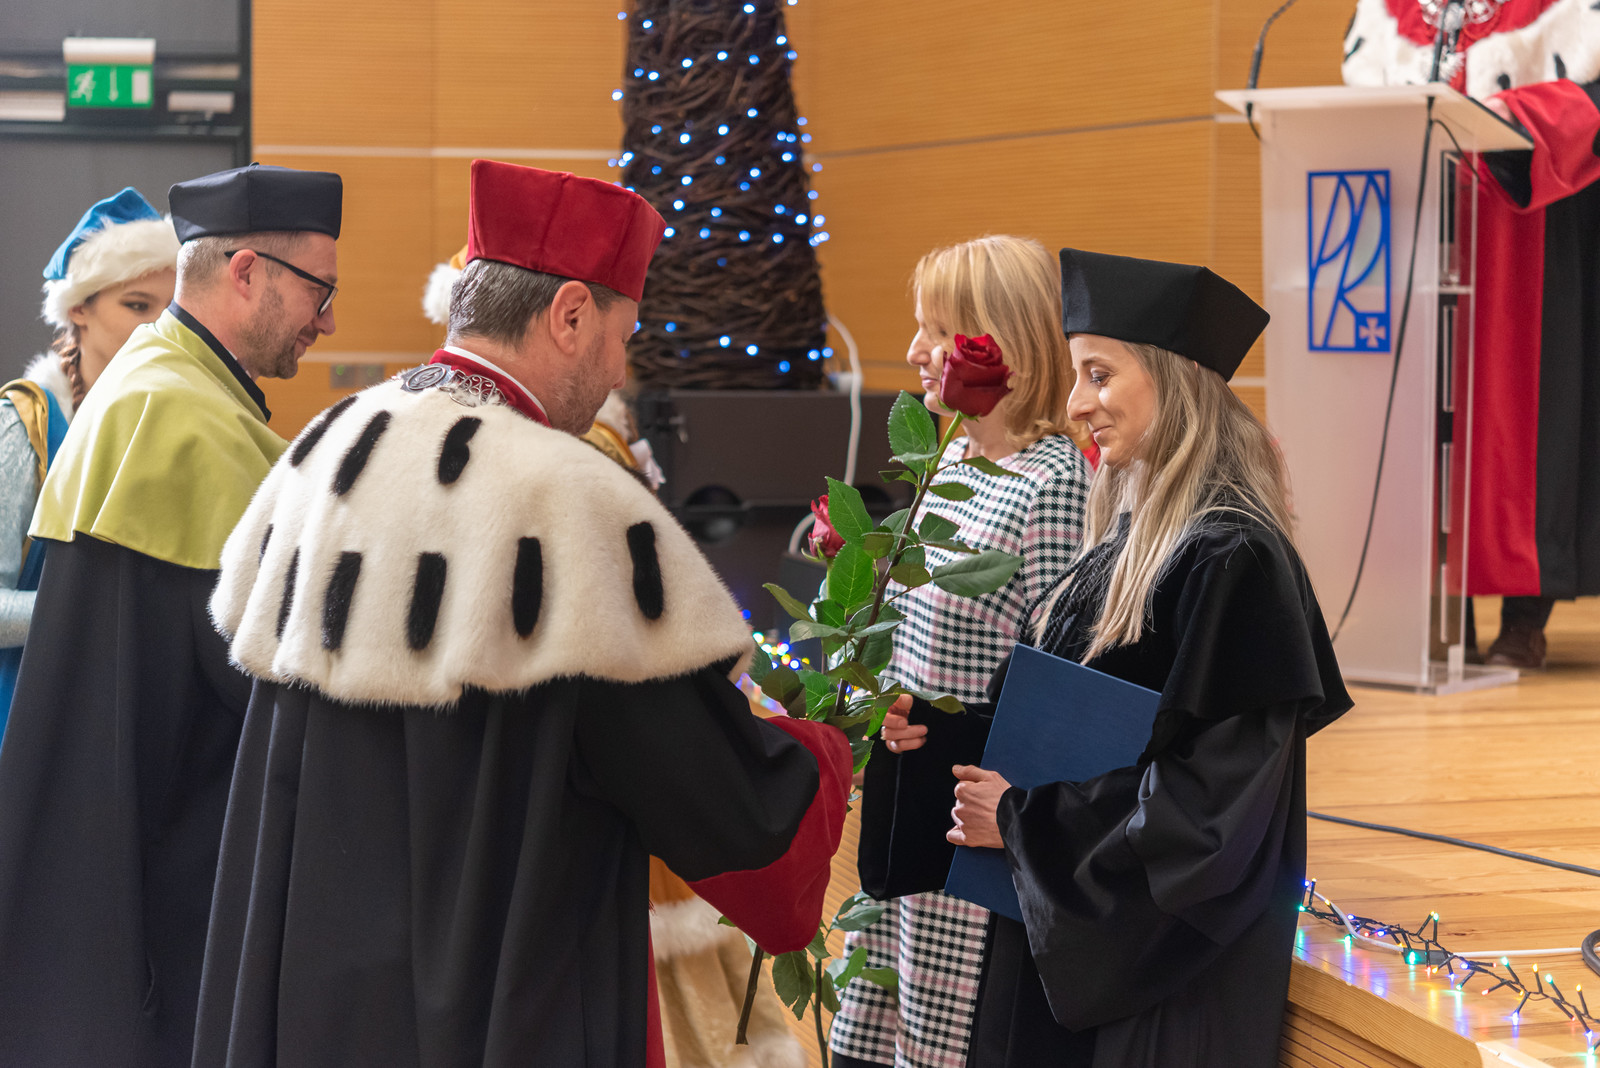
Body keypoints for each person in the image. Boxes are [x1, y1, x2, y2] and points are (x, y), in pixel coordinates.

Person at [193, 160, 851, 1068]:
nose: (619, 369)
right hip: (493, 999)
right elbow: (725, 802)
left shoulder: (330, 442)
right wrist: (825, 743)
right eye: (623, 335)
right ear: (570, 314)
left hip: (310, 985)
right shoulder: (562, 497)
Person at [878, 250, 1351, 1067]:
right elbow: (1074, 728)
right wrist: (941, 737)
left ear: (1176, 379)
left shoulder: (1235, 562)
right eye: (1076, 377)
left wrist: (1021, 820)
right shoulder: (1127, 540)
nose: (1074, 405)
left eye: (1099, 375)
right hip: (1058, 935)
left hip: (1154, 980)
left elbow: (1210, 816)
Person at [0, 163, 342, 1067]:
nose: (328, 322)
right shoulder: (176, 414)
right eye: (320, 291)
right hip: (168, 855)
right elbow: (249, 670)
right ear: (247, 272)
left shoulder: (169, 385)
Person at [830, 235, 1093, 1068]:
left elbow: (1061, 687)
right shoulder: (950, 462)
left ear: (1002, 342)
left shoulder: (1053, 484)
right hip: (911, 815)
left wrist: (958, 739)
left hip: (971, 840)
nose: (916, 350)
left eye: (937, 331)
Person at [1343, 0, 1600, 667]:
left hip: (1528, 229)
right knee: (1421, 420)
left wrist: (1513, 121)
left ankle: (1524, 620)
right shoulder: (1390, 13)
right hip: (1409, 227)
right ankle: (1438, 612)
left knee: (1521, 415)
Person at [0, 187, 178, 729]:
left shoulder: (172, 421)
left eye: (170, 308)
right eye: (137, 305)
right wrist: (109, 616)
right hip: (29, 713)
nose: (158, 326)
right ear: (78, 307)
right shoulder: (25, 423)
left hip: (131, 714)